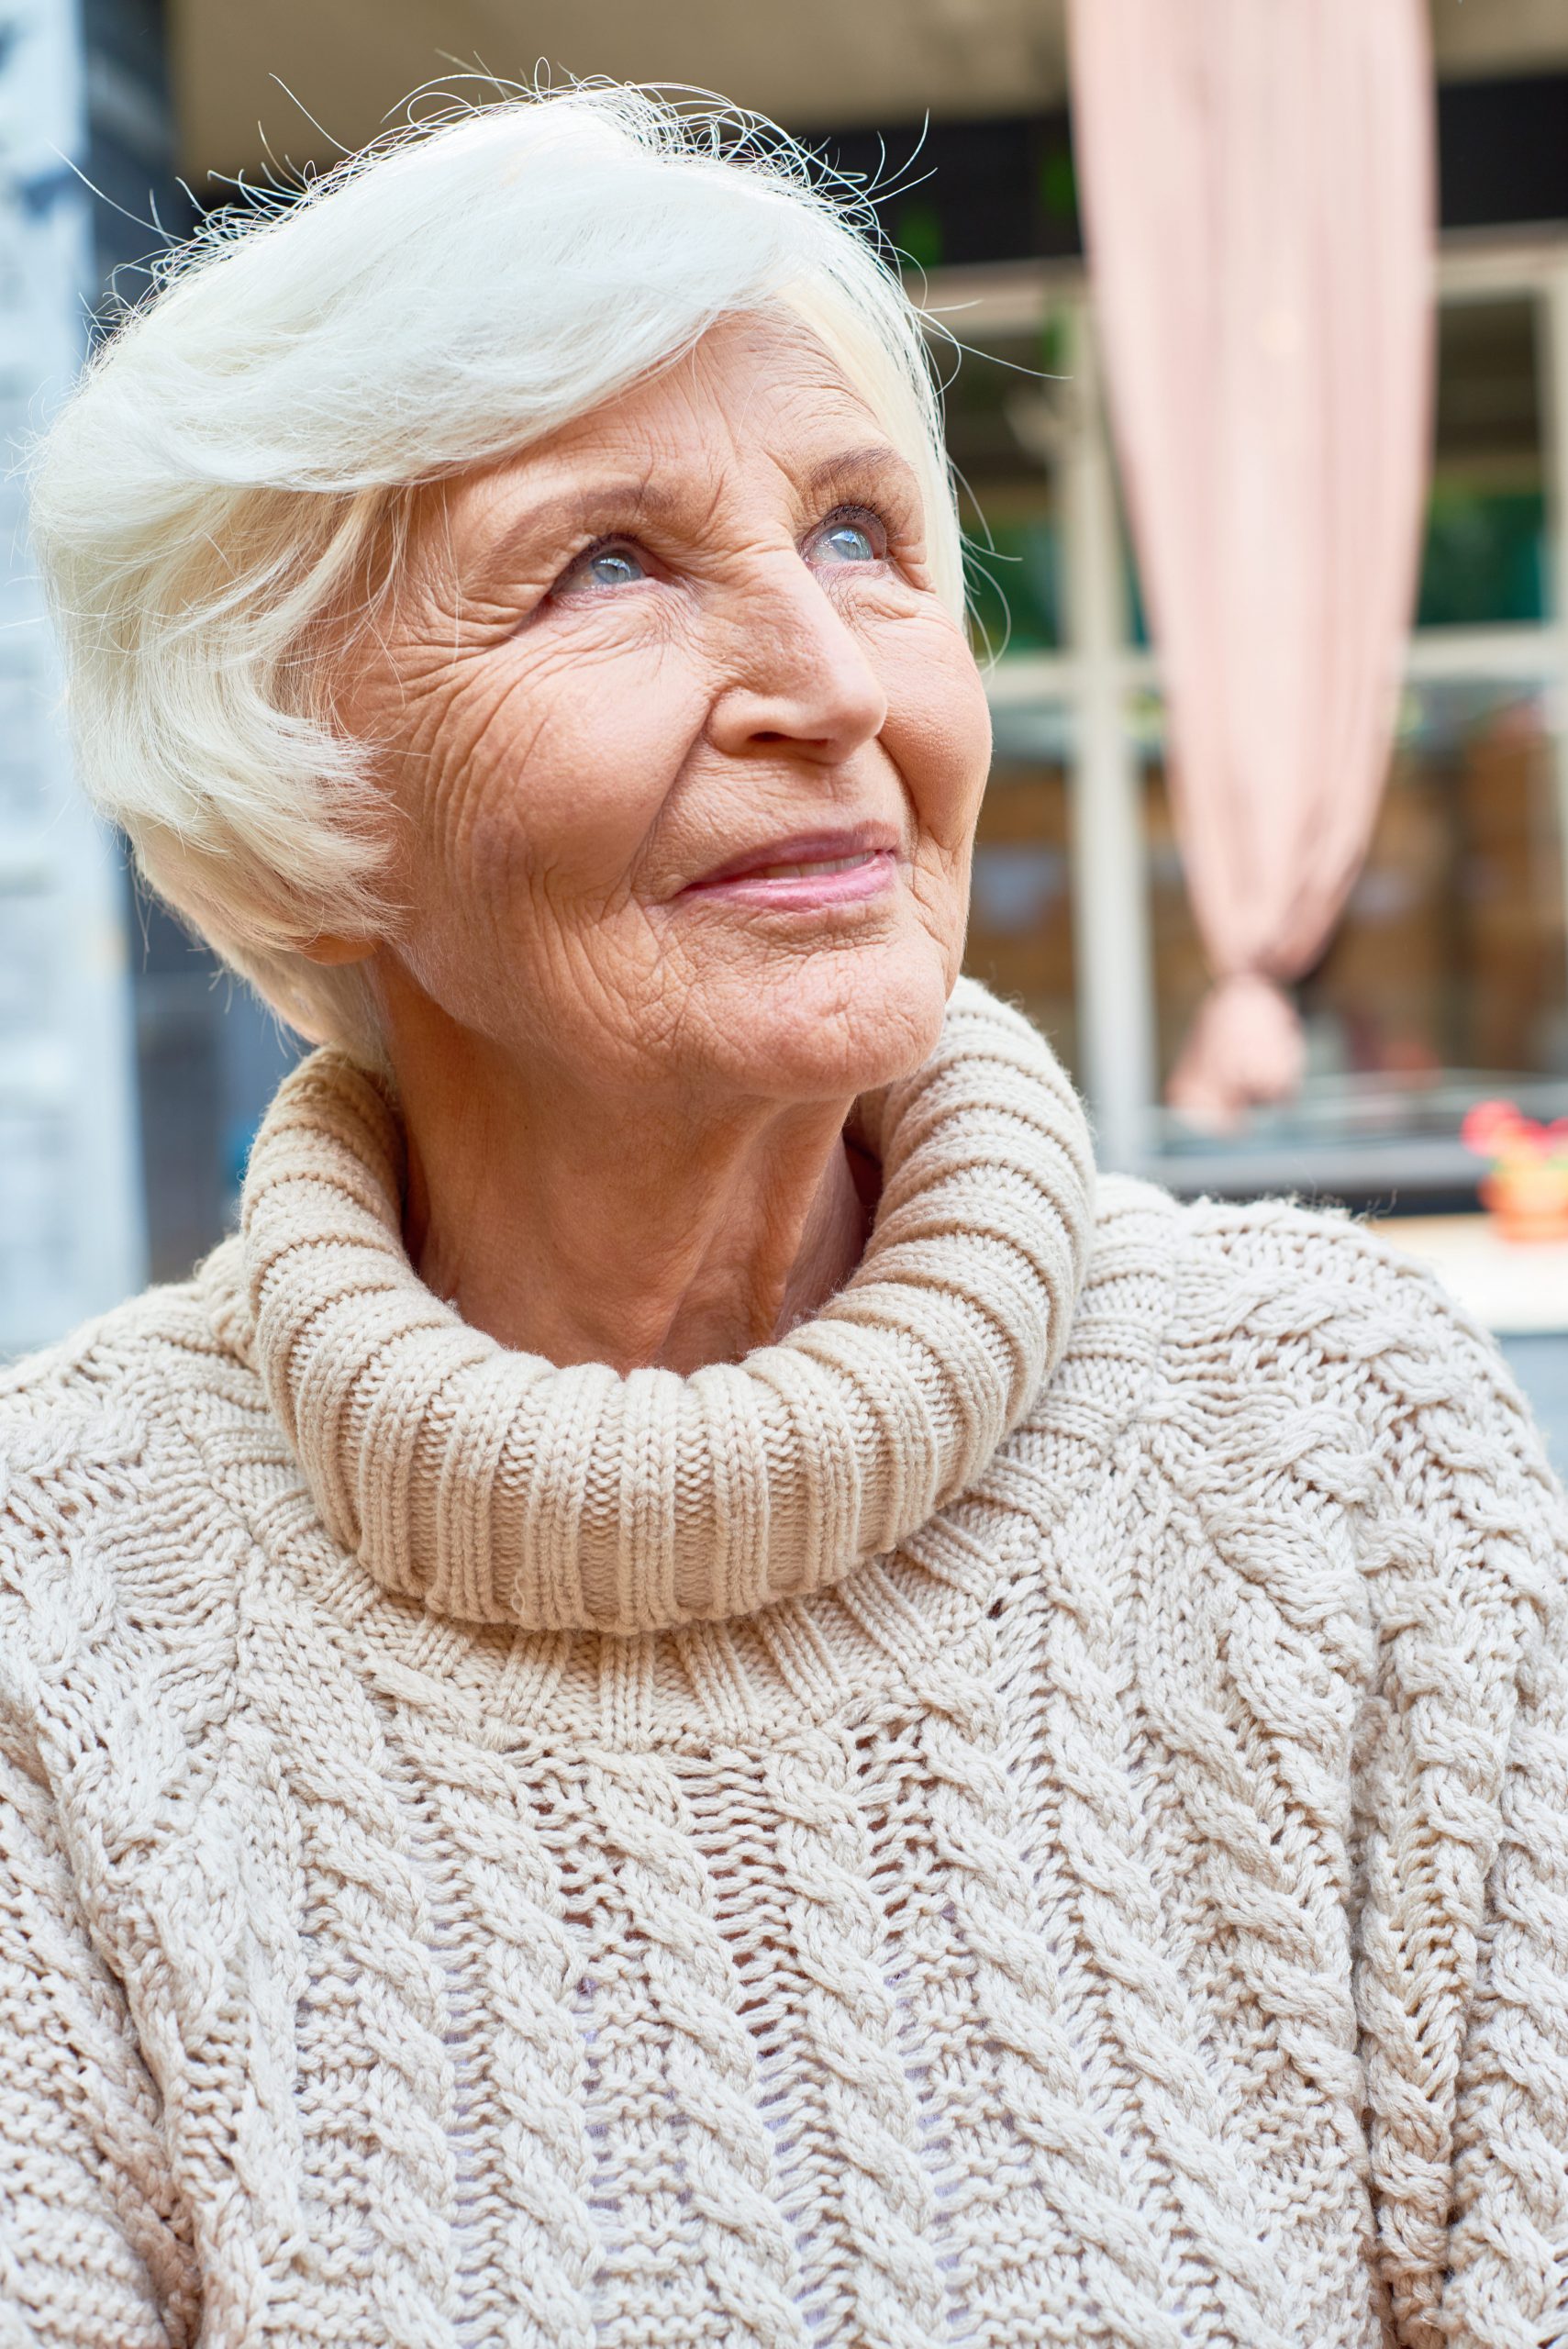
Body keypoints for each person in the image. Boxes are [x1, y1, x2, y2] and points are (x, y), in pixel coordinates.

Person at [4, 84, 1565, 2349]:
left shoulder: (1337, 1452)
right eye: (609, 564)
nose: (832, 687)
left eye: (860, 534)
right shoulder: (63, 1604)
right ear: (302, 792)